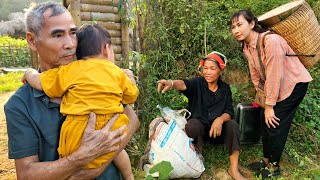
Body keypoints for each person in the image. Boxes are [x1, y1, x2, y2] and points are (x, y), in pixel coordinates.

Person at [4, 2, 140, 179]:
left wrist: (97, 166)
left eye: (73, 33)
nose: (70, 44)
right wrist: (80, 158)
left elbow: (132, 119)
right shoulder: (20, 106)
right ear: (32, 40)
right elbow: (27, 174)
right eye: (58, 35)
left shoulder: (95, 78)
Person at [230, 10, 312, 178]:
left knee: (275, 124)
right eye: (233, 27)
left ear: (252, 24)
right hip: (276, 84)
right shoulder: (246, 45)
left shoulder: (271, 41)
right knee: (263, 119)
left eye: (240, 25)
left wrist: (270, 105)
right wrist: (262, 96)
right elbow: (255, 74)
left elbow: (275, 74)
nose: (236, 30)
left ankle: (274, 167)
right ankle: (266, 160)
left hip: (293, 83)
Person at [157, 51, 246, 180]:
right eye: (205, 68)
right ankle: (197, 159)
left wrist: (220, 120)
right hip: (200, 133)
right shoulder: (197, 83)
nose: (208, 72)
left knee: (233, 125)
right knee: (193, 124)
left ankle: (233, 169)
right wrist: (171, 83)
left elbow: (229, 111)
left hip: (217, 132)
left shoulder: (225, 89)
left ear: (221, 70)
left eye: (212, 68)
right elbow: (183, 84)